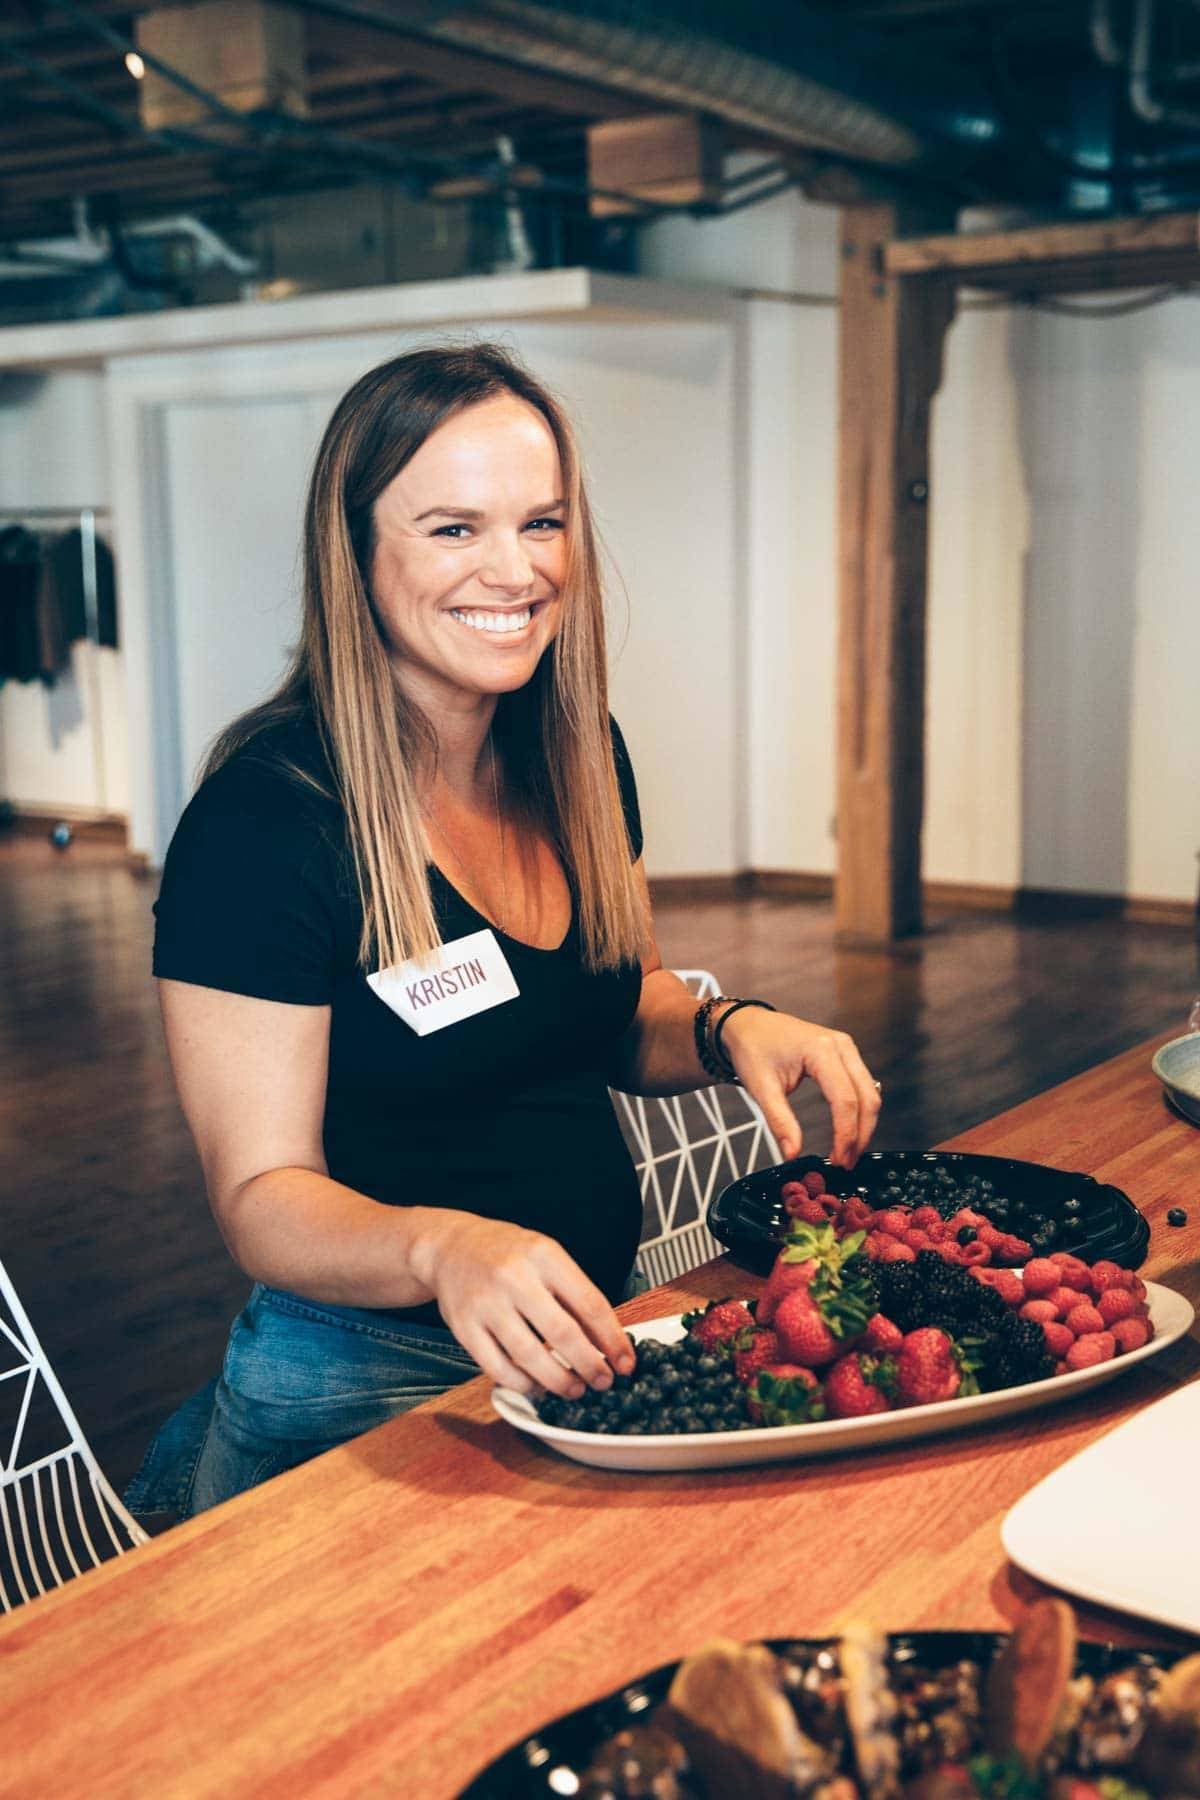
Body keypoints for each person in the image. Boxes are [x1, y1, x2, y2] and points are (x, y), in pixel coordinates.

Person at [125, 343, 881, 1521]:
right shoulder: (267, 821)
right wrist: (444, 1248)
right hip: (356, 1385)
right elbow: (263, 1196)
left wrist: (732, 1025)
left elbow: (615, 1009)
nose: (516, 569)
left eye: (542, 523)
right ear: (358, 551)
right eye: (452, 529)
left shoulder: (573, 756)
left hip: (580, 1345)